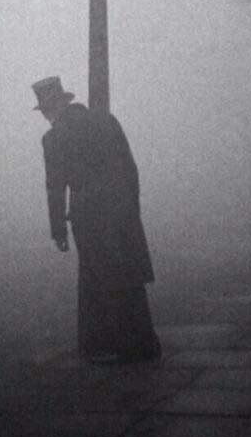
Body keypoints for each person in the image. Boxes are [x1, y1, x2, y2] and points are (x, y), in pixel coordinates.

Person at [32, 75, 161, 364]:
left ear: (50, 109)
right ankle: (142, 342)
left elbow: (55, 187)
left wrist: (58, 230)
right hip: (121, 210)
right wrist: (131, 205)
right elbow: (130, 167)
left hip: (88, 218)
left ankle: (111, 345)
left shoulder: (54, 139)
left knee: (99, 280)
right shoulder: (105, 121)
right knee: (128, 278)